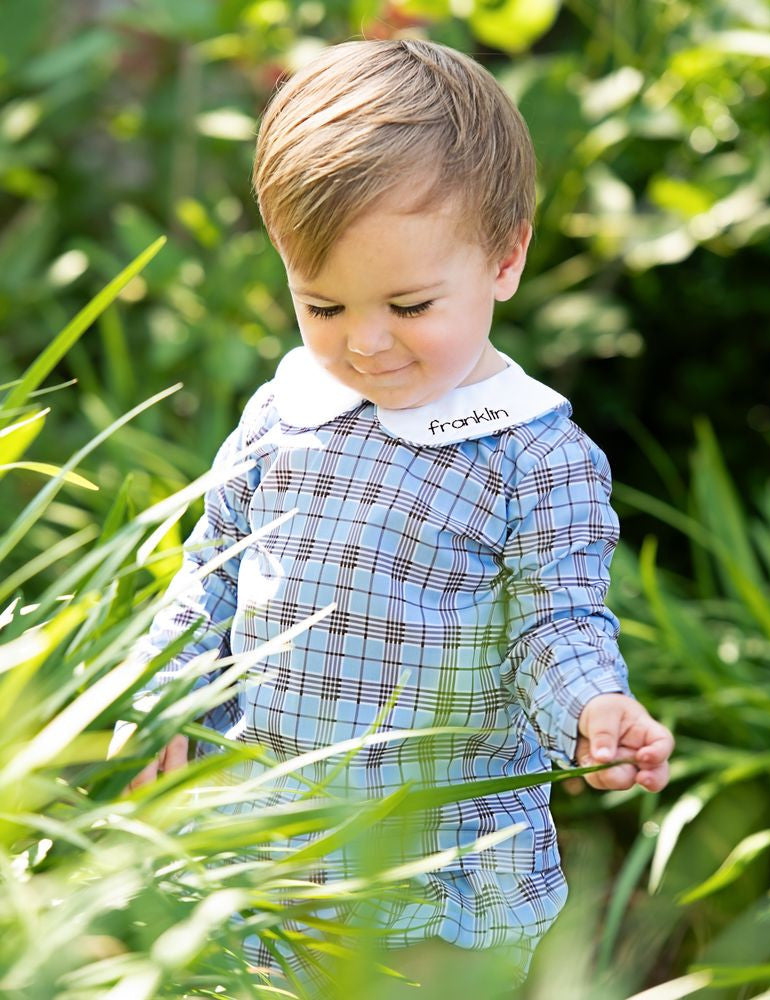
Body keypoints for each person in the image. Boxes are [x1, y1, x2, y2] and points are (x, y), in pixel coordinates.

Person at [110, 37, 674, 999]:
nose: (365, 344)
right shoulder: (282, 414)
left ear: (506, 257)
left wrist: (592, 707)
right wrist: (163, 696)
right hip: (263, 851)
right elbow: (210, 575)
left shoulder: (533, 455)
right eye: (321, 303)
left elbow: (555, 622)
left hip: (438, 874)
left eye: (409, 305)